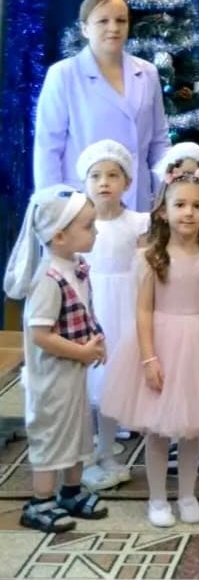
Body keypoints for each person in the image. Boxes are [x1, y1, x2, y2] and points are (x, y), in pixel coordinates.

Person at [100, 171, 199, 528]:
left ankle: (188, 495)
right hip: (162, 346)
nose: (189, 212)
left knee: (194, 429)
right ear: (163, 211)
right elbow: (143, 311)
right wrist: (149, 357)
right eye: (180, 204)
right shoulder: (151, 256)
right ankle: (158, 499)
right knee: (159, 430)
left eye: (197, 205)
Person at [4, 185, 110, 533]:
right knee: (51, 435)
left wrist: (97, 339)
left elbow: (85, 311)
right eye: (88, 226)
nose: (95, 232)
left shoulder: (75, 266)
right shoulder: (48, 279)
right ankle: (41, 501)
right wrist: (82, 351)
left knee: (78, 432)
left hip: (73, 374)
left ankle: (71, 492)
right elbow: (40, 335)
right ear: (60, 235)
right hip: (51, 378)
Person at [34, 0, 170, 211]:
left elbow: (159, 142)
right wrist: (54, 207)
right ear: (85, 28)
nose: (113, 28)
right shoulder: (64, 74)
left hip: (138, 204)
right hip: (82, 206)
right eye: (103, 21)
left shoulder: (148, 73)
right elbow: (48, 147)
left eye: (121, 20)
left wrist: (165, 195)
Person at [76, 140, 147, 492]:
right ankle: (85, 458)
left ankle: (106, 452)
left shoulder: (138, 223)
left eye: (113, 175)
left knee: (112, 386)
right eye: (95, 176)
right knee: (86, 386)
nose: (104, 182)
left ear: (127, 182)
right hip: (88, 308)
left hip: (125, 310)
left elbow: (147, 269)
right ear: (85, 182)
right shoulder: (79, 224)